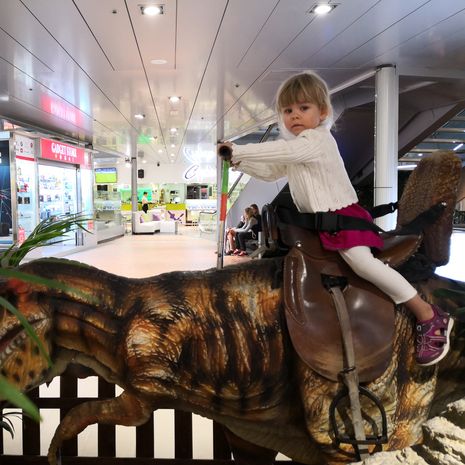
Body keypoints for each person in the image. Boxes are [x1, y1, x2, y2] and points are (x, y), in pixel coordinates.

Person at [218, 71, 453, 366]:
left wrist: (239, 149)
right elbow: (271, 171)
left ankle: (427, 314)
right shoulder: (299, 148)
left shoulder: (316, 140)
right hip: (320, 225)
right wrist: (237, 161)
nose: (294, 115)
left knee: (362, 263)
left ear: (323, 112)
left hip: (342, 218)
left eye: (303, 108)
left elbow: (284, 150)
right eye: (288, 110)